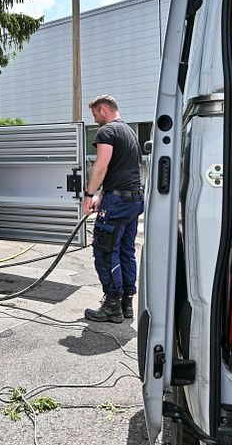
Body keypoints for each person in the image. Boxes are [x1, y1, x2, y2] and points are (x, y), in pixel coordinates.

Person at [82, 95, 144, 323]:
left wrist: (89, 194)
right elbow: (123, 169)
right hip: (132, 200)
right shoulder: (129, 132)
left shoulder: (107, 131)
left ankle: (112, 306)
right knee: (126, 250)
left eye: (95, 114)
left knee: (106, 251)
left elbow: (102, 165)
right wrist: (102, 194)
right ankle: (127, 303)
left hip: (117, 205)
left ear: (104, 109)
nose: (95, 119)